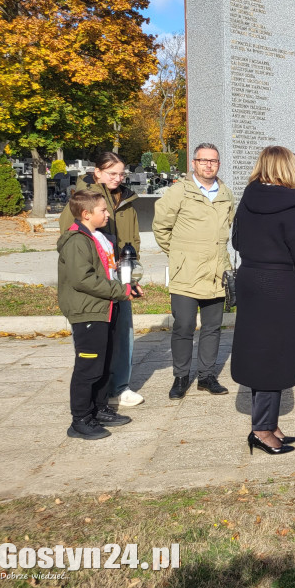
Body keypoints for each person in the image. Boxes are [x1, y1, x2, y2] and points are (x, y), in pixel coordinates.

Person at [230, 147, 295, 455]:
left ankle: (269, 424)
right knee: (273, 357)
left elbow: (237, 241)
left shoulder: (248, 199)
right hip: (278, 288)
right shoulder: (293, 205)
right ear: (287, 169)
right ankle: (261, 431)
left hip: (251, 282)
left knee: (260, 353)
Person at [59, 152, 142, 409]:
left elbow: (133, 238)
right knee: (95, 340)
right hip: (96, 278)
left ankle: (119, 386)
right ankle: (91, 400)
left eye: (121, 173)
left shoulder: (126, 198)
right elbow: (70, 238)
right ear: (97, 172)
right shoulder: (85, 199)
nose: (117, 178)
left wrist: (131, 268)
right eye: (111, 173)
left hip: (120, 272)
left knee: (122, 330)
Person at [153, 143, 236, 400]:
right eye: (203, 160)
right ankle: (180, 377)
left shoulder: (226, 194)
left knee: (212, 327)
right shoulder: (179, 192)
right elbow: (160, 228)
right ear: (194, 163)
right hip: (186, 273)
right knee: (184, 325)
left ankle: (207, 376)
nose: (208, 165)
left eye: (213, 161)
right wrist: (180, 255)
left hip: (216, 271)